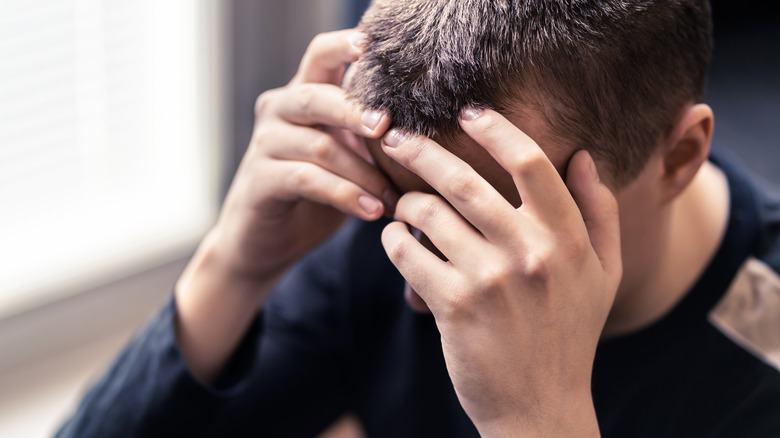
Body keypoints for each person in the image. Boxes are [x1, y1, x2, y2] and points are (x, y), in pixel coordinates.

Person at [56, 0, 780, 436]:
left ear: (679, 156)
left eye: (488, 220)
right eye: (411, 205)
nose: (430, 285)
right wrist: (233, 264)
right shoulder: (379, 233)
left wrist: (540, 421)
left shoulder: (757, 374)